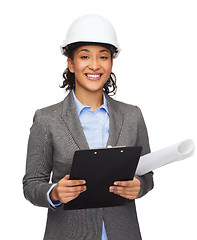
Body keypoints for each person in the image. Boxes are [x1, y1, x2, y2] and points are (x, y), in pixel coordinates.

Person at [23, 14, 154, 240]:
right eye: (85, 56)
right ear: (71, 64)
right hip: (69, 234)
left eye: (103, 57)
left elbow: (147, 174)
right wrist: (54, 193)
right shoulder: (47, 119)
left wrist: (139, 186)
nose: (94, 65)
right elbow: (32, 183)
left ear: (111, 63)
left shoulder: (132, 115)